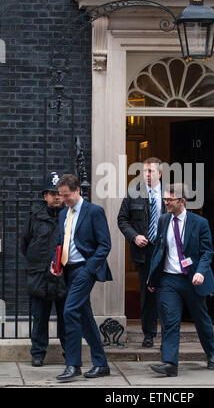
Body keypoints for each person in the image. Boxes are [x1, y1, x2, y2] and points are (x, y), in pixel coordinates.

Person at [148, 183, 214, 377]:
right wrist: (152, 279)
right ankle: (170, 363)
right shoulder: (163, 221)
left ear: (182, 201)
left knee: (201, 319)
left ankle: (211, 354)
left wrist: (201, 271)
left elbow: (207, 251)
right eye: (165, 199)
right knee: (170, 321)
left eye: (170, 200)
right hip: (169, 280)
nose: (166, 203)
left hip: (192, 278)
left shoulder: (199, 223)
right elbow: (159, 251)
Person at [51, 174, 112, 382]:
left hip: (85, 269)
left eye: (66, 195)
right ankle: (101, 364)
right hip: (68, 270)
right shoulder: (63, 214)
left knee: (70, 311)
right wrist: (56, 262)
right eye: (60, 195)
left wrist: (89, 269)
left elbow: (105, 245)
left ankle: (73, 365)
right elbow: (61, 241)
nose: (63, 199)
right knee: (84, 316)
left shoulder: (94, 212)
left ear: (77, 190)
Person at [117, 157, 164, 348]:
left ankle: (168, 333)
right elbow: (122, 219)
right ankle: (149, 334)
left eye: (151, 171)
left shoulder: (169, 192)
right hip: (144, 250)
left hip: (165, 249)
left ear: (160, 173)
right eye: (145, 171)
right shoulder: (133, 193)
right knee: (147, 292)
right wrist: (134, 236)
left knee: (166, 291)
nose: (148, 175)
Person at [21, 172, 66, 367]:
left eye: (59, 193)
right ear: (44, 196)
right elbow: (25, 244)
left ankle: (70, 352)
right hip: (40, 275)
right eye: (51, 193)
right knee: (39, 317)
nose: (56, 196)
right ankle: (38, 353)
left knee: (67, 317)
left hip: (65, 276)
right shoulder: (35, 217)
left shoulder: (69, 215)